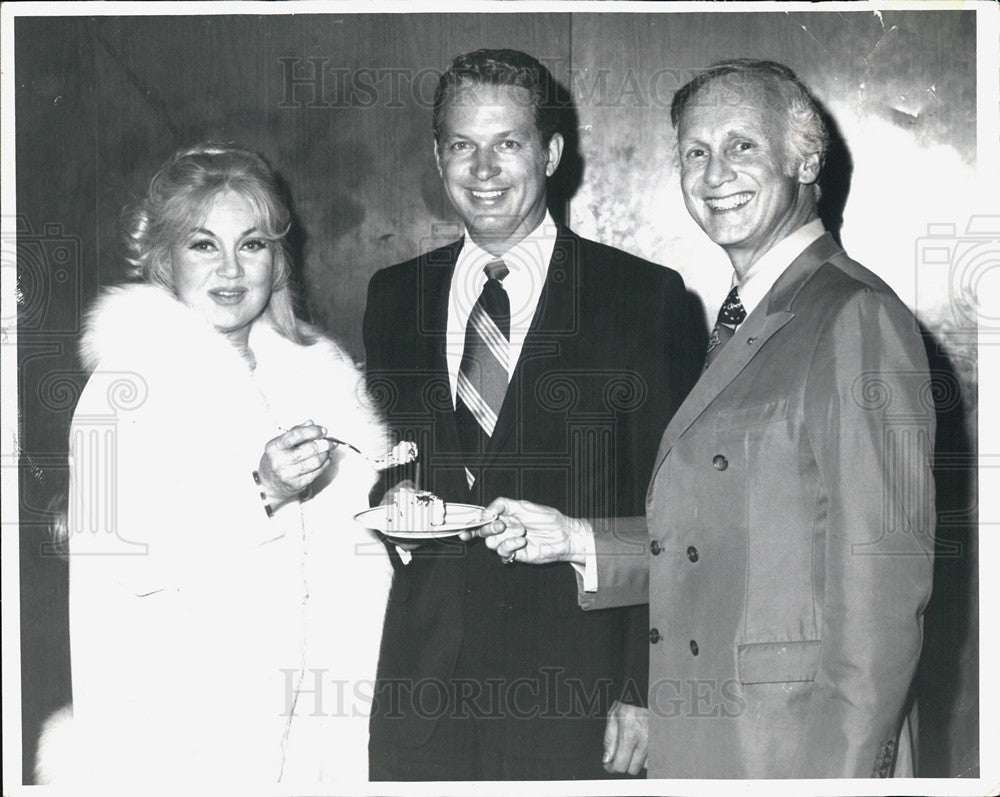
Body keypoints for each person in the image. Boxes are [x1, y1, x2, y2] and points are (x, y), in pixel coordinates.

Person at [476, 59, 936, 778]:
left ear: (805, 159)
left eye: (742, 145)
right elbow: (713, 547)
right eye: (696, 151)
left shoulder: (853, 316)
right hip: (711, 744)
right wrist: (573, 538)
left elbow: (882, 600)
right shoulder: (750, 314)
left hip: (794, 755)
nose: (715, 171)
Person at [363, 49, 703, 780]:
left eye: (507, 144)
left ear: (550, 152)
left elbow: (677, 518)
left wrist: (641, 691)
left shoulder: (642, 299)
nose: (483, 169)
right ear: (437, 155)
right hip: (420, 696)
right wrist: (391, 502)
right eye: (462, 145)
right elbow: (384, 466)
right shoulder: (394, 299)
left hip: (571, 698)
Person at [35, 143, 393, 786]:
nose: (231, 268)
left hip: (320, 740)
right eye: (204, 245)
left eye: (252, 244)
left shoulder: (322, 374)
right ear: (163, 259)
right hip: (181, 744)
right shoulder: (124, 385)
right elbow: (123, 556)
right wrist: (260, 490)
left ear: (276, 257)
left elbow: (356, 549)